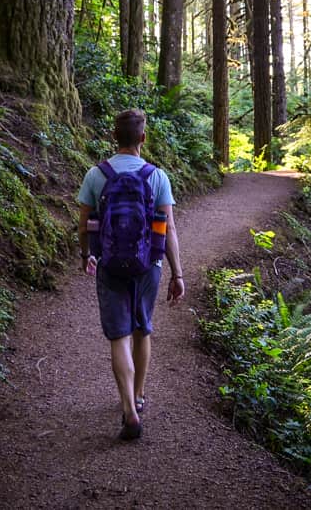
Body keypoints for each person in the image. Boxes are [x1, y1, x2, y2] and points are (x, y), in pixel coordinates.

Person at [77, 108, 185, 440]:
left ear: (113, 137)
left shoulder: (96, 175)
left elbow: (85, 225)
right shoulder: (157, 177)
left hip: (109, 264)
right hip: (147, 265)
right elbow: (167, 230)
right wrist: (177, 274)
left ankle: (128, 409)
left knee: (119, 336)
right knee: (142, 330)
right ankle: (138, 395)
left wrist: (88, 256)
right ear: (143, 137)